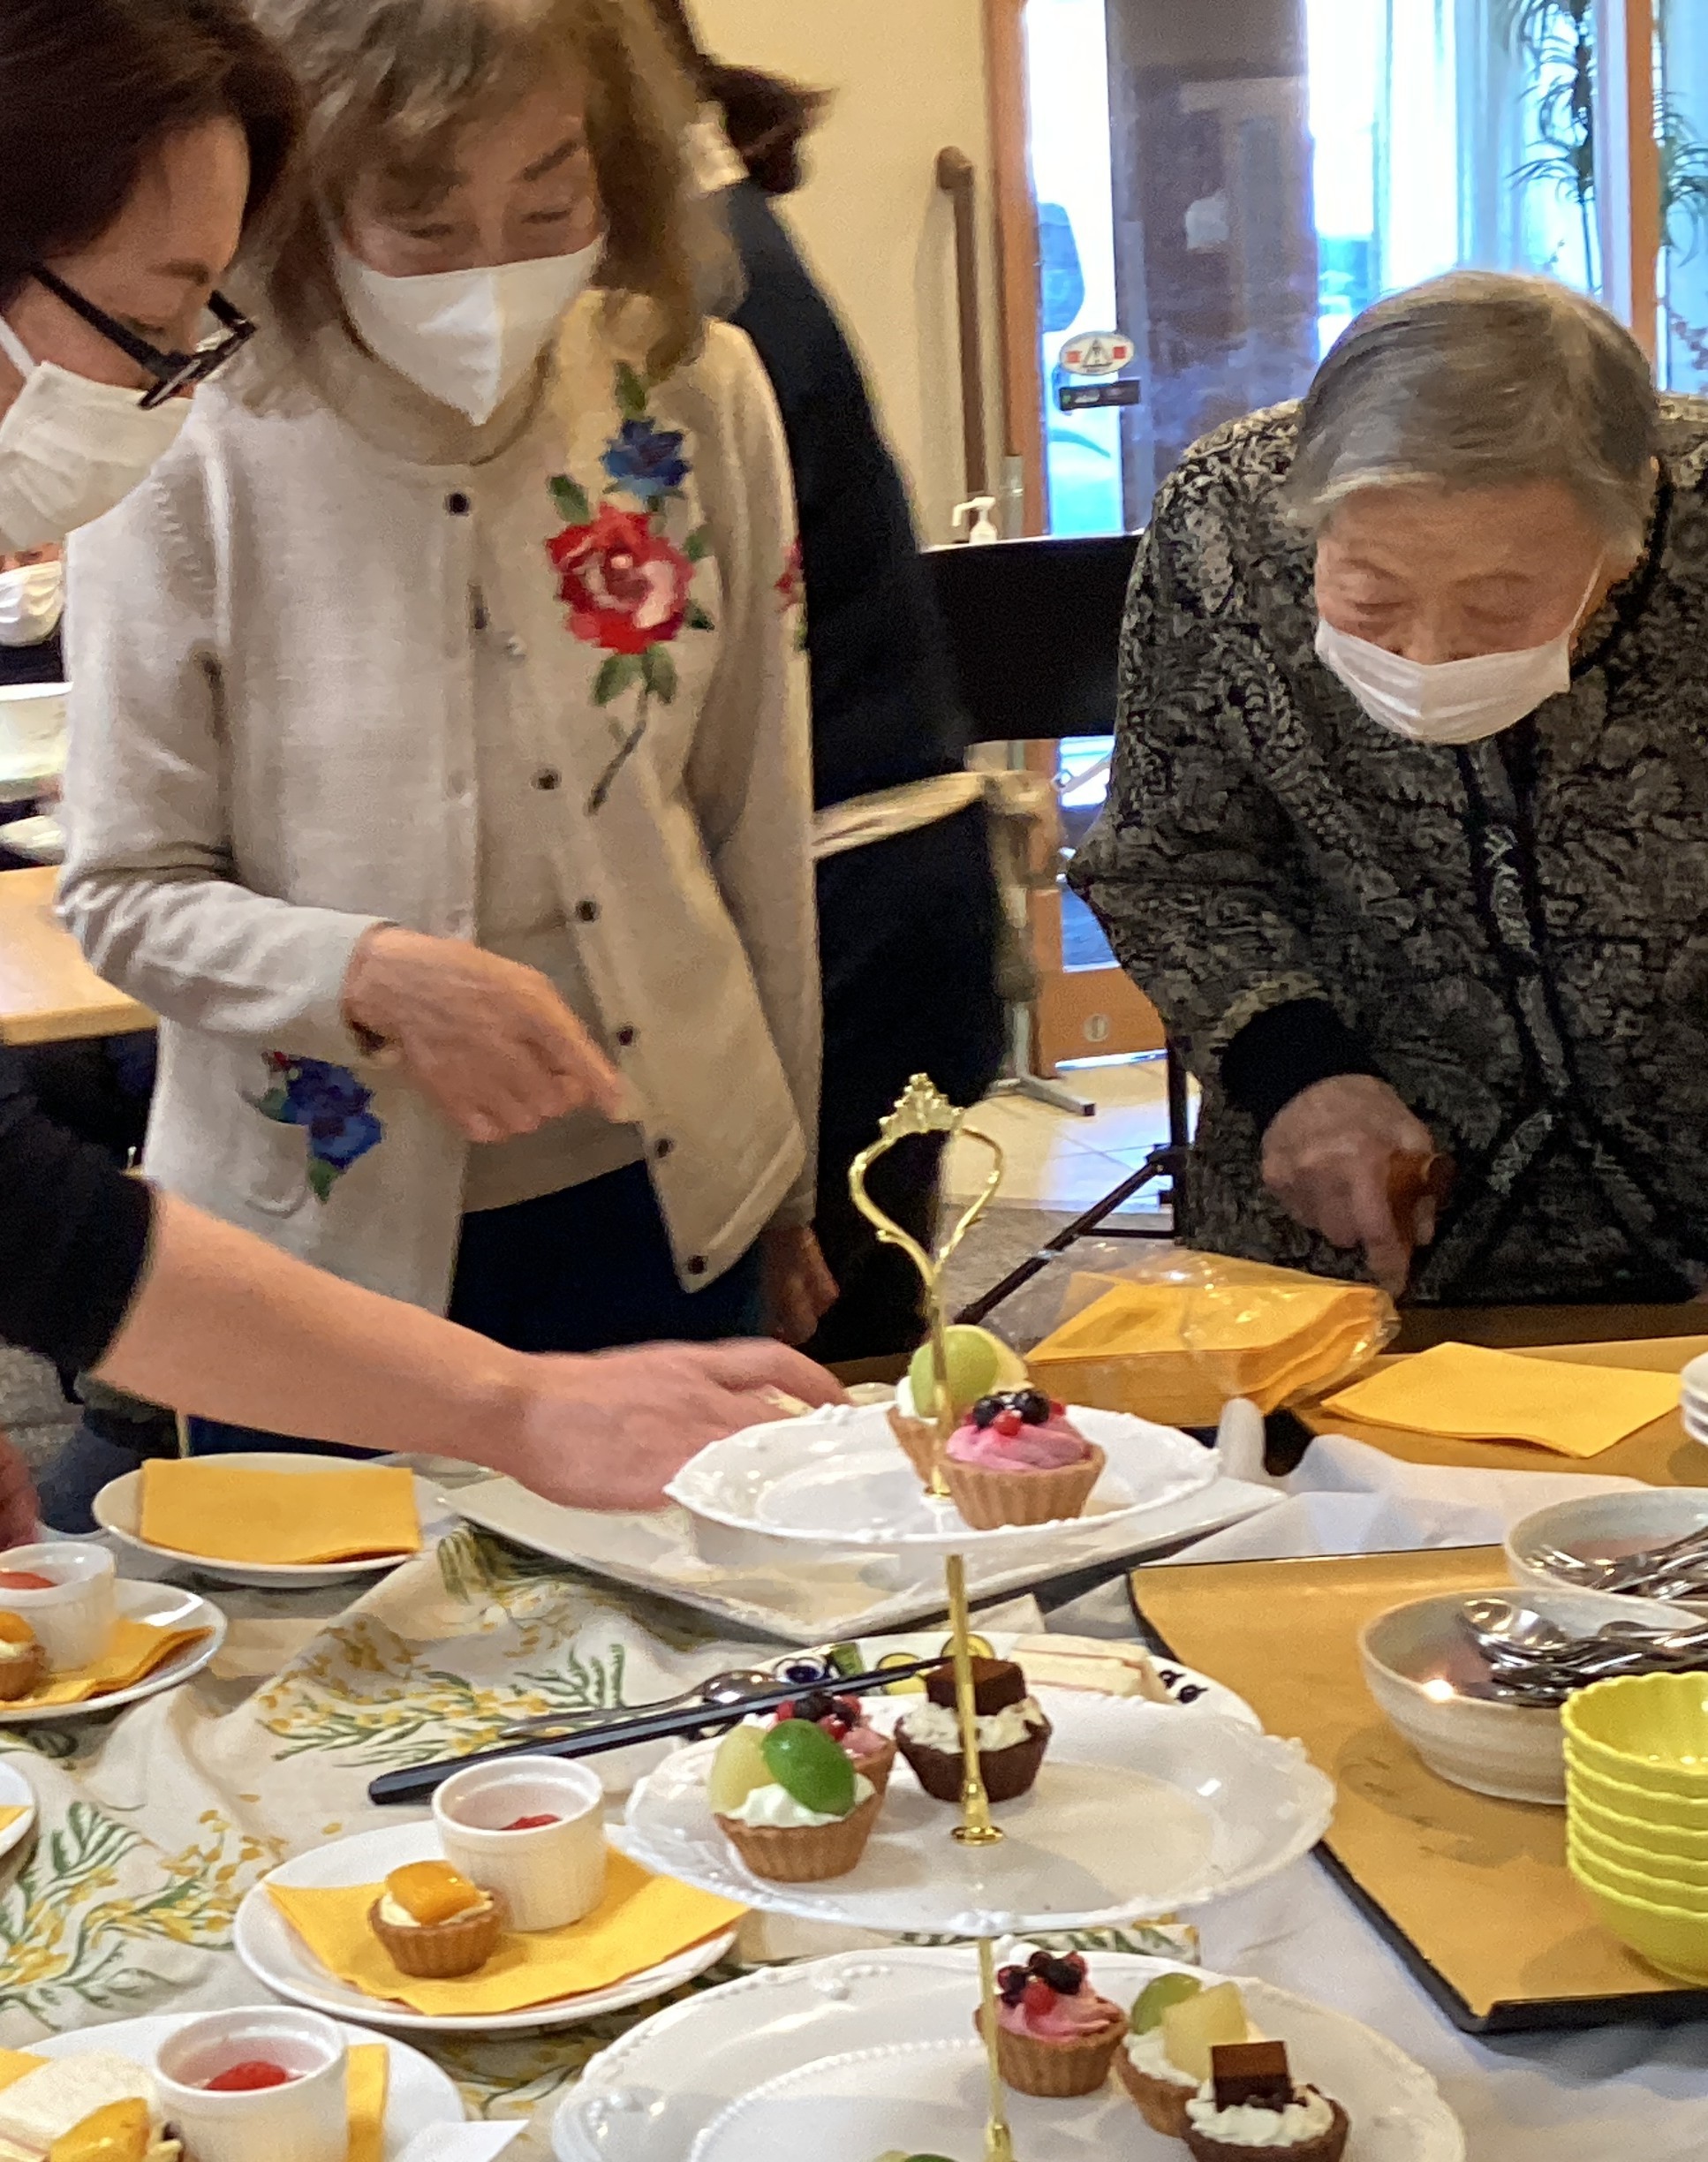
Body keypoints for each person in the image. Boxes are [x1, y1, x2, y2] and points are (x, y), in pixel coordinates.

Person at [0, 0, 840, 1547]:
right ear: (313, 210)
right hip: (303, 1246)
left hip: (660, 1191)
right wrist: (369, 973)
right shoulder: (185, 426)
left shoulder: (691, 392)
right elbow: (117, 896)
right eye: (425, 222)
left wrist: (780, 1176)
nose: (491, 267)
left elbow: (753, 818)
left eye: (549, 202)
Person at [1072, 271, 1708, 1306]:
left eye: (1498, 606)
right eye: (1370, 599)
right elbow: (1170, 862)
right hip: (1354, 1235)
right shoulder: (1225, 516)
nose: (1427, 652)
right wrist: (1296, 1072)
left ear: (1629, 523)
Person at [654, 1, 1007, 1361]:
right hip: (870, 883)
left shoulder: (690, 288)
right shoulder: (711, 239)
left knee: (791, 1385)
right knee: (835, 1366)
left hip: (837, 897)